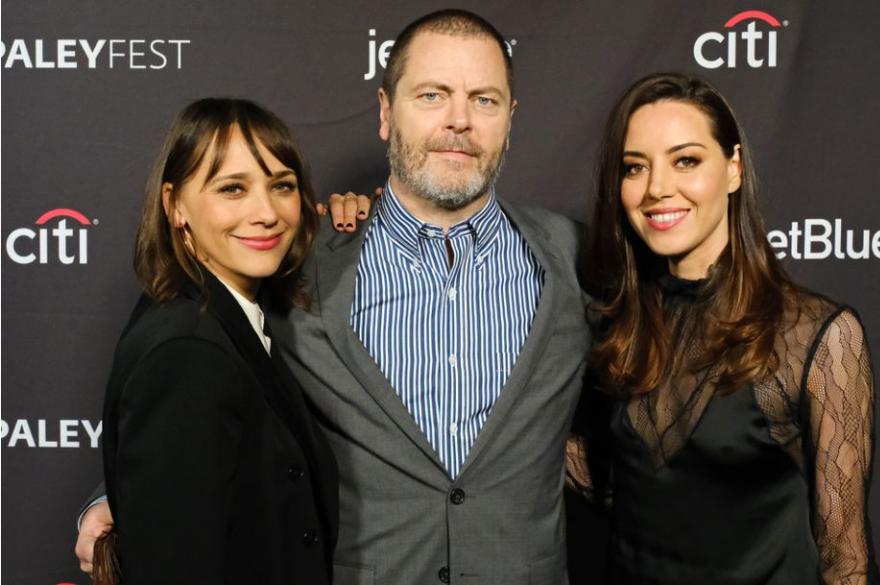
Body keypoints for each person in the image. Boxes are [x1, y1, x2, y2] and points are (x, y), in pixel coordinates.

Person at [78, 10, 592, 585]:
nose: (459, 121)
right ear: (384, 111)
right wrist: (111, 498)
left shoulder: (572, 256)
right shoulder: (294, 262)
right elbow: (199, 389)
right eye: (432, 95)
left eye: (485, 100)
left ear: (510, 119)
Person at [567, 72, 879, 584]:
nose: (657, 189)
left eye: (685, 160)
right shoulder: (615, 326)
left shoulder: (814, 336)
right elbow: (609, 482)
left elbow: (845, 561)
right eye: (634, 168)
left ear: (733, 168)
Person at [93, 98, 338, 584]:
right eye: (233, 189)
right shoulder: (188, 353)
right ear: (175, 205)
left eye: (282, 186)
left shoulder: (225, 317)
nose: (266, 212)